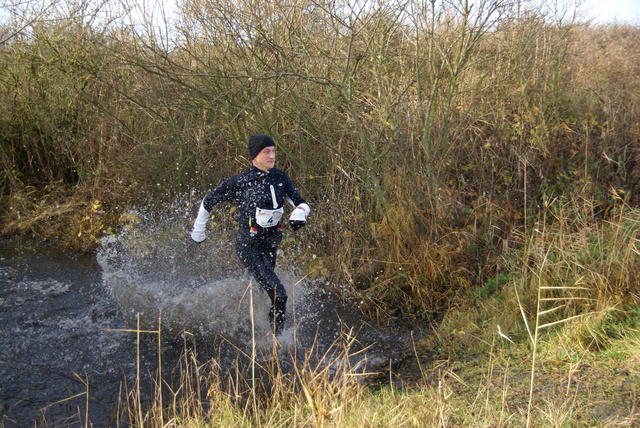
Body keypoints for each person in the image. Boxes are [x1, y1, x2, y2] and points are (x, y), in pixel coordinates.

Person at [190, 134, 310, 335]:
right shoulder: (241, 181)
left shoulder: (280, 178)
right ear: (255, 155)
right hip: (248, 247)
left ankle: (247, 321)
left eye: (273, 151)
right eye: (266, 152)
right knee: (279, 294)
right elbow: (208, 201)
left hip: (271, 244)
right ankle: (276, 340)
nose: (272, 156)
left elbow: (301, 202)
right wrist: (198, 231)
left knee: (261, 289)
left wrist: (299, 214)